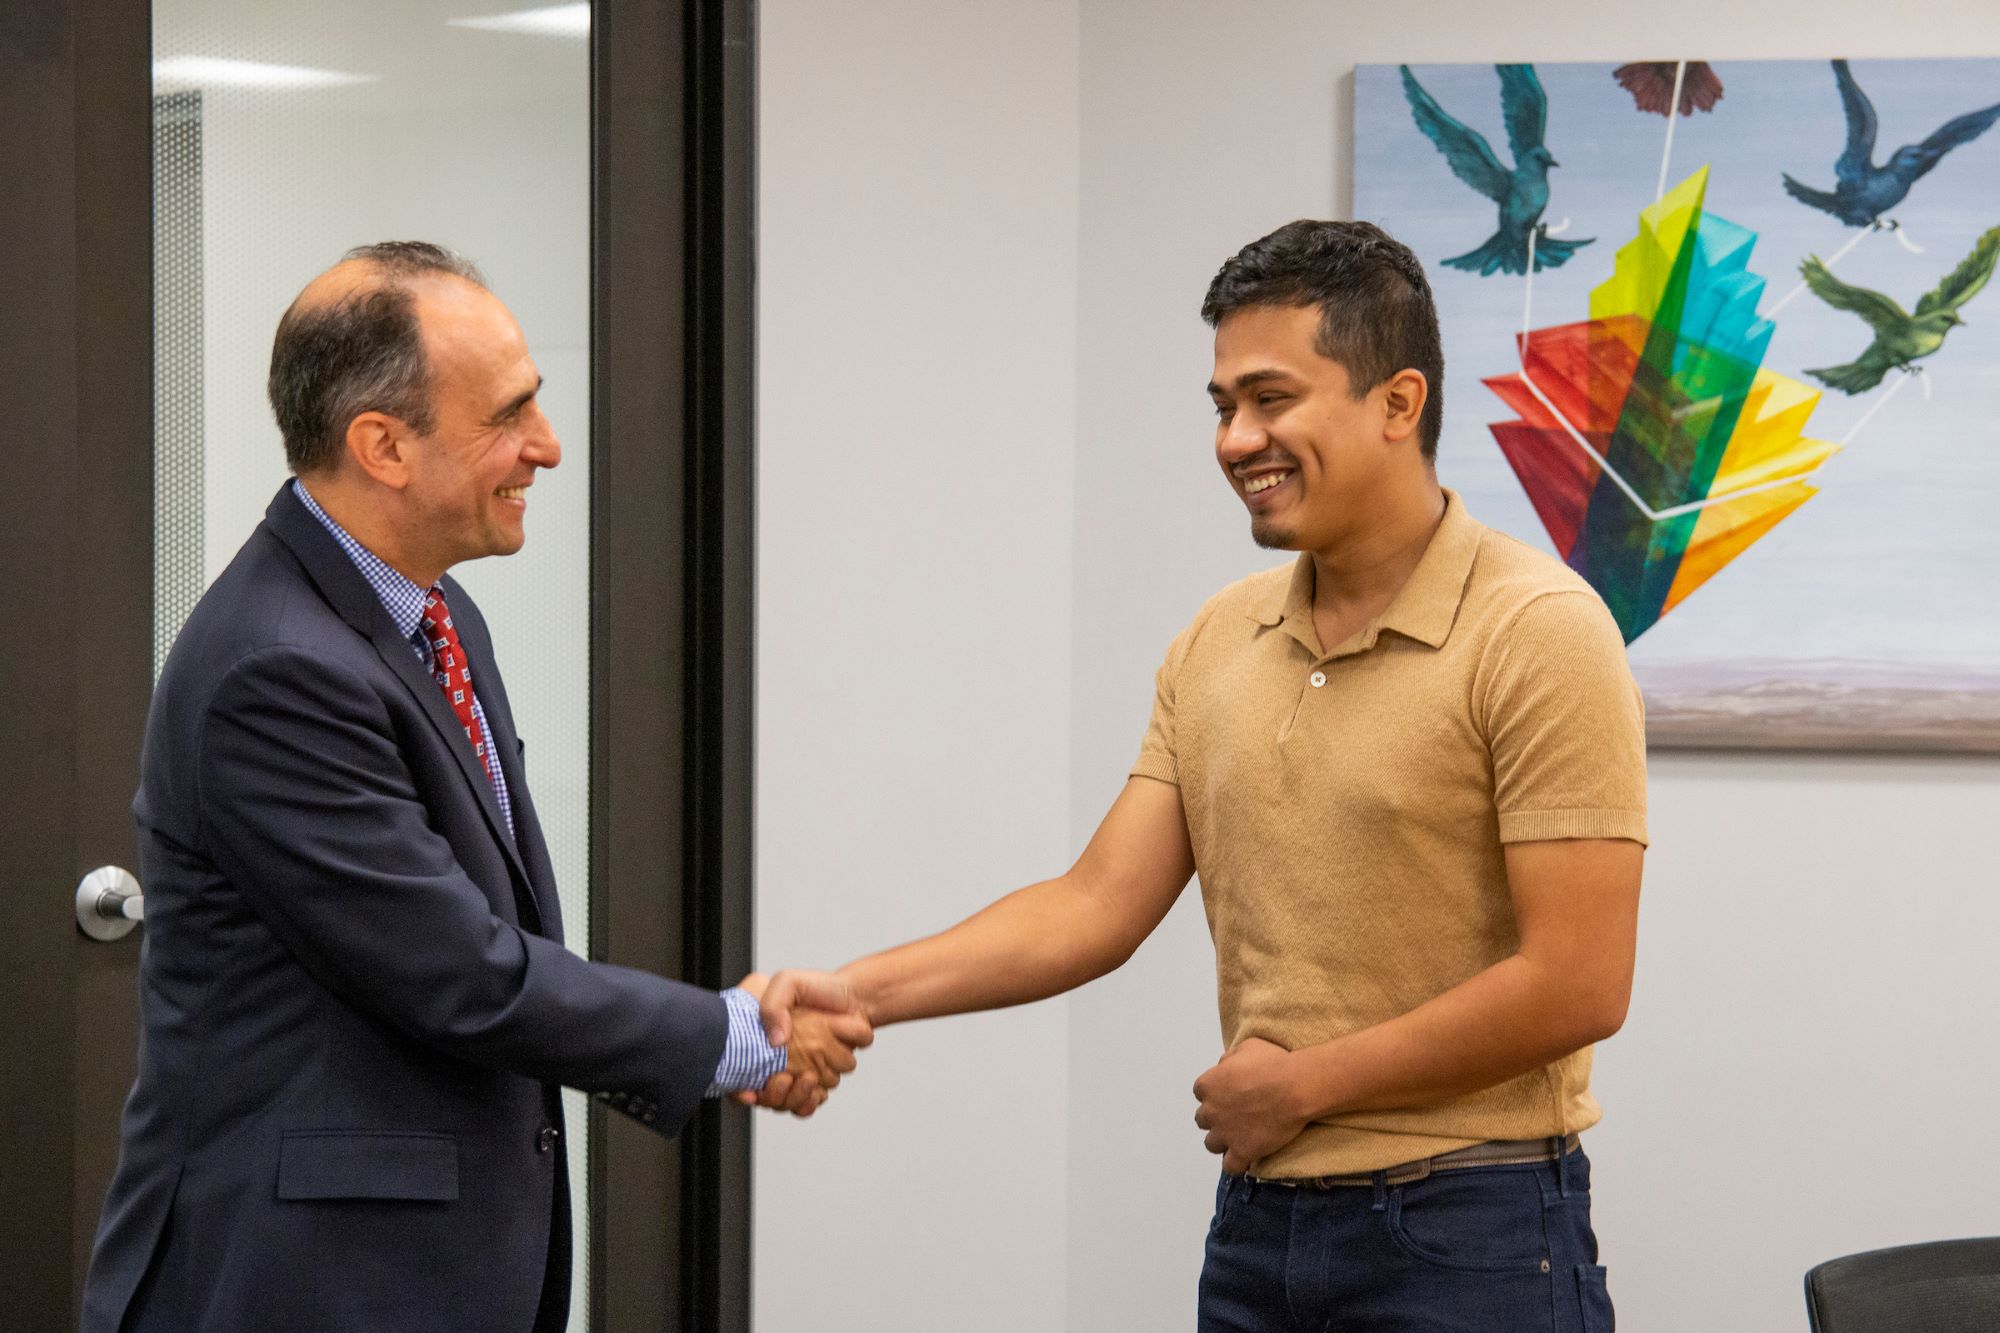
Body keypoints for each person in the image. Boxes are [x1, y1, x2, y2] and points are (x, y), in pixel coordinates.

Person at [756, 220, 1648, 1331]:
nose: (1235, 439)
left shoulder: (1539, 628)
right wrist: (856, 990)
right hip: (1258, 1227)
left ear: (1397, 402)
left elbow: (1576, 980)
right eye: (1222, 405)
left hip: (1474, 1232)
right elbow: (1093, 904)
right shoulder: (1218, 638)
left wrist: (1308, 1083)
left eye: (1270, 399)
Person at [82, 242, 867, 1333]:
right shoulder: (277, 667)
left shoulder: (431, 617)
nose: (544, 446)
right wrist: (732, 1034)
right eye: (508, 414)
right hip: (298, 1282)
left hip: (410, 1271)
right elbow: (461, 972)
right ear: (383, 446)